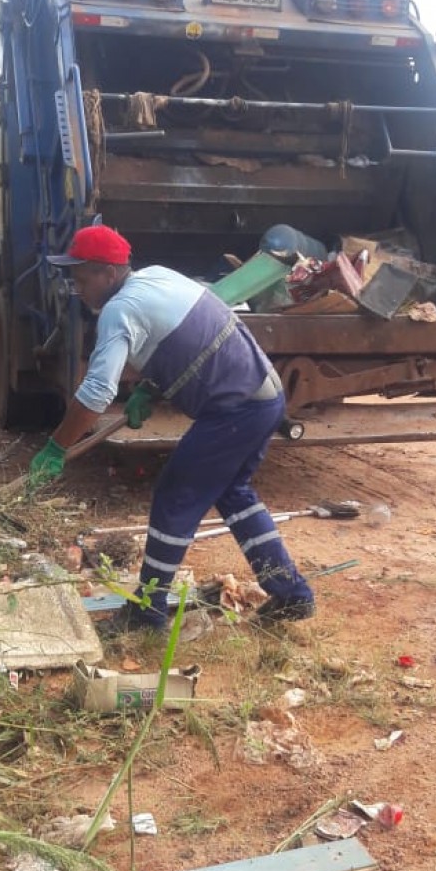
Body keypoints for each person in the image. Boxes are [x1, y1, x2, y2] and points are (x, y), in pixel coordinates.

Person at [29, 225, 314, 631]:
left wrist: (56, 447)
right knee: (233, 493)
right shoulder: (159, 277)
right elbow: (189, 339)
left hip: (234, 408)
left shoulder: (118, 310)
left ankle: (147, 612)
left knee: (174, 496)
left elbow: (96, 391)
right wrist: (149, 385)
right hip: (264, 397)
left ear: (108, 273)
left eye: (81, 276)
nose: (77, 287)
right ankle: (291, 595)